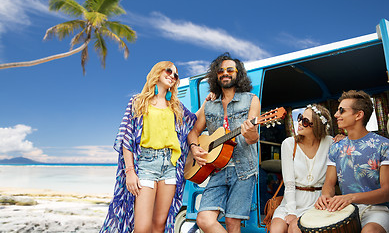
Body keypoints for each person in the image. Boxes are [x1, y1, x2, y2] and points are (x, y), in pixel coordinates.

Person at [100, 61, 197, 233]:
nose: (173, 76)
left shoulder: (176, 107)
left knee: (159, 225)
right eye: (169, 71)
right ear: (157, 72)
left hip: (170, 167)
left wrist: (207, 101)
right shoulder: (138, 102)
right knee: (142, 227)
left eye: (176, 74)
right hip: (145, 165)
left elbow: (193, 124)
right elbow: (126, 138)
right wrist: (130, 172)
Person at [187, 52, 261, 233]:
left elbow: (252, 139)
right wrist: (195, 147)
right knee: (204, 219)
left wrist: (250, 131)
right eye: (220, 71)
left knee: (232, 222)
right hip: (216, 169)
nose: (225, 73)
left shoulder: (251, 99)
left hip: (244, 169)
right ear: (215, 75)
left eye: (230, 70)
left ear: (238, 73)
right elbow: (193, 131)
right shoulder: (209, 104)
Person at [315, 90, 389, 233]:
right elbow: (329, 184)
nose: (336, 115)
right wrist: (325, 196)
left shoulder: (384, 146)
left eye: (341, 111)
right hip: (345, 209)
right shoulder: (336, 148)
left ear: (359, 115)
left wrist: (350, 197)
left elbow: (386, 192)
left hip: (377, 210)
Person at [270, 104, 333, 233]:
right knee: (276, 229)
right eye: (299, 118)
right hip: (292, 199)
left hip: (317, 201)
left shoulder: (330, 143)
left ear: (317, 126)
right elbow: (289, 183)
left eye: (305, 121)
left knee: (296, 228)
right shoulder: (289, 144)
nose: (298, 122)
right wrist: (291, 212)